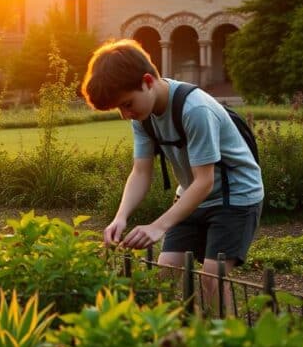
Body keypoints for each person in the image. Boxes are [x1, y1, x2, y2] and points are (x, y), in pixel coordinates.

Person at [82, 39, 264, 310]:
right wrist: (121, 217)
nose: (125, 114)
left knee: (212, 278)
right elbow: (141, 172)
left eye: (127, 104)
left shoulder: (195, 109)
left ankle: (227, 342)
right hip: (191, 197)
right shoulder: (141, 116)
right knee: (164, 275)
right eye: (120, 108)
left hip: (235, 197)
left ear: (147, 81)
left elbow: (205, 181)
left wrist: (158, 226)